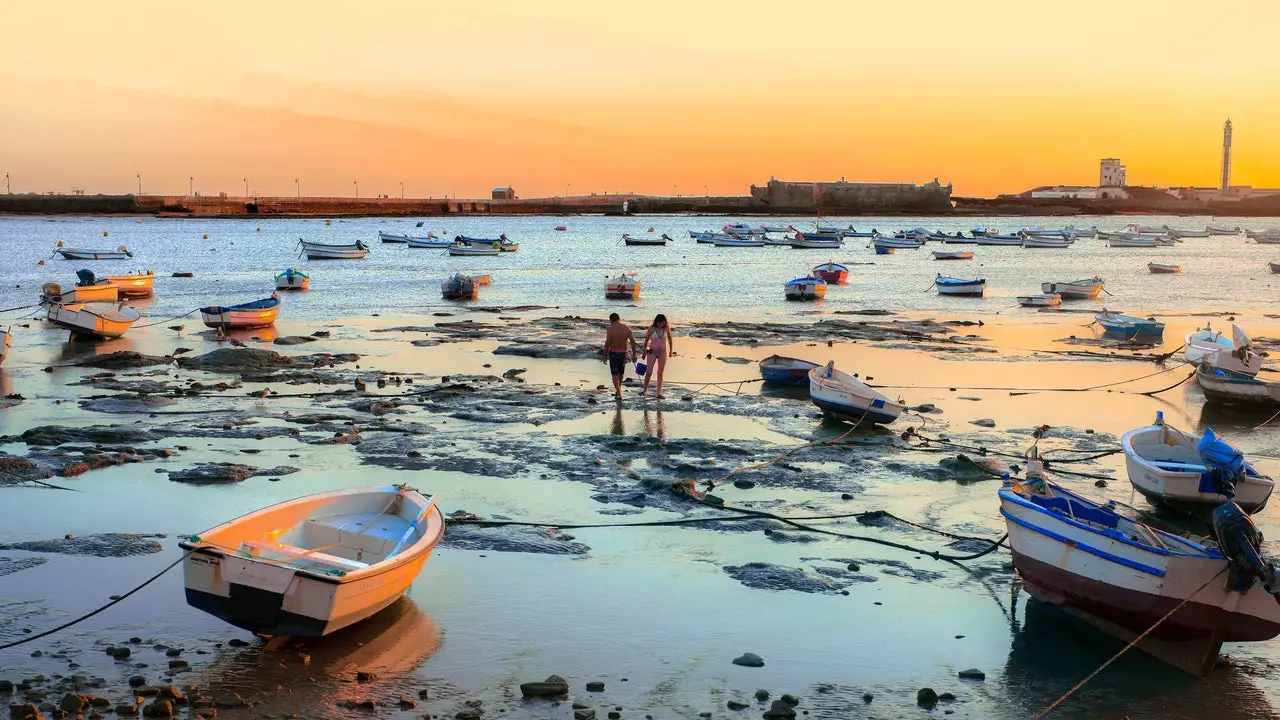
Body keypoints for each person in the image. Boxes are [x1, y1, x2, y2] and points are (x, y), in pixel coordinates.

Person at [603, 312, 636, 400]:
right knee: (621, 374)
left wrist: (605, 354)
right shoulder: (626, 328)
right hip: (623, 354)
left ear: (611, 320)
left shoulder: (610, 329)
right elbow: (632, 341)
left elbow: (608, 342)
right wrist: (634, 354)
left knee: (614, 374)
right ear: (619, 319)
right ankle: (618, 391)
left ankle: (619, 393)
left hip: (613, 353)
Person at [642, 313, 675, 398]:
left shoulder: (666, 328)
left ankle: (658, 393)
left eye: (663, 323)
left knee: (660, 373)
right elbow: (646, 341)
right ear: (656, 322)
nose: (661, 325)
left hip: (662, 353)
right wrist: (644, 352)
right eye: (659, 323)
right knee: (649, 372)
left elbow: (670, 339)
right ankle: (644, 390)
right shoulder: (651, 329)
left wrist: (671, 351)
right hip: (652, 352)